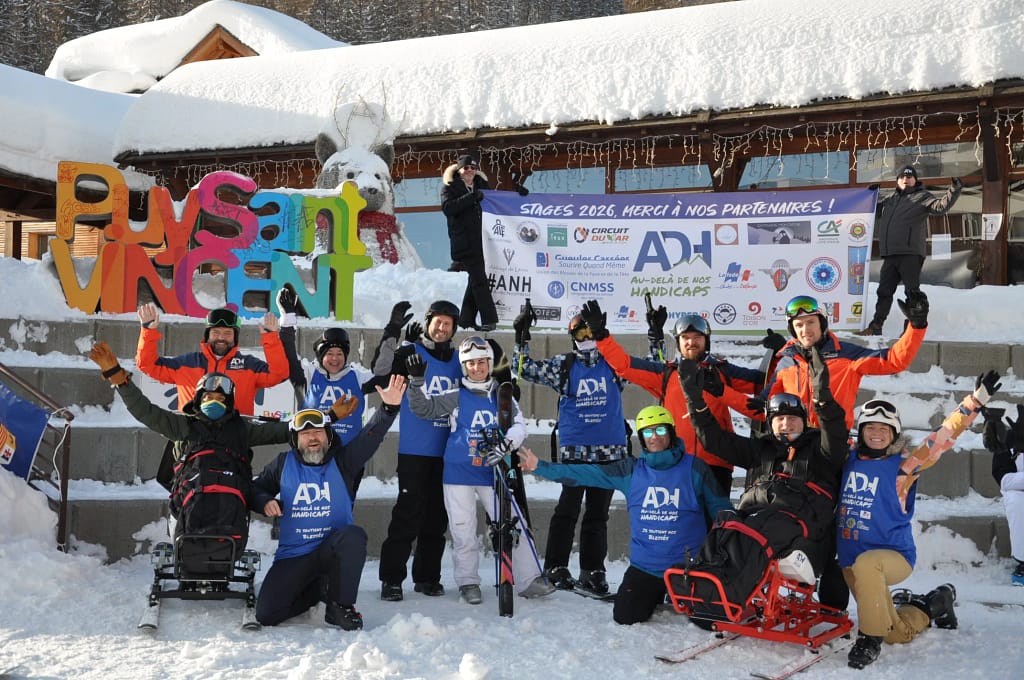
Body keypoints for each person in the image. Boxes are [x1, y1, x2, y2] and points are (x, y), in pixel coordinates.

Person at [838, 371, 1000, 668]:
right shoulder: (846, 461)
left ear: (894, 434)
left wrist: (974, 401)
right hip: (853, 562)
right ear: (860, 432)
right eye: (870, 427)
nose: (876, 433)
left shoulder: (904, 468)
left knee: (870, 582)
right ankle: (934, 603)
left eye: (884, 429)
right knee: (896, 634)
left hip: (892, 557)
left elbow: (942, 438)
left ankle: (868, 640)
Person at [676, 346, 848, 624]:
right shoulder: (761, 449)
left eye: (792, 419)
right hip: (757, 515)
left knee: (757, 532)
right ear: (770, 423)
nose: (785, 424)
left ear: (804, 422)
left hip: (800, 524)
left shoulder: (821, 449)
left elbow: (836, 433)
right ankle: (704, 591)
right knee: (724, 523)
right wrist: (694, 400)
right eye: (779, 419)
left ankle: (727, 600)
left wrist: (823, 396)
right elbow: (715, 440)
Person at [518, 405, 731, 625]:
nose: (654, 437)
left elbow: (721, 509)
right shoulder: (631, 470)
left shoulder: (695, 468)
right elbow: (585, 474)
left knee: (710, 621)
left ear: (671, 432)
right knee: (626, 616)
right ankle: (658, 593)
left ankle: (675, 593)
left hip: (689, 568)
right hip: (646, 568)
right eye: (648, 432)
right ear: (641, 437)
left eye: (660, 430)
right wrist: (541, 467)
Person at [405, 335, 554, 604]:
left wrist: (507, 444)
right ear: (465, 366)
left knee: (512, 524)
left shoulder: (502, 394)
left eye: (482, 362)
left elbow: (519, 426)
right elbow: (423, 408)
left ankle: (528, 579)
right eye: (471, 363)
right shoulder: (455, 395)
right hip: (458, 473)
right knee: (463, 529)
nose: (477, 368)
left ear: (489, 363)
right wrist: (416, 382)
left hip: (491, 472)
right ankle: (468, 582)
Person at [250, 375, 406, 630]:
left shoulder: (343, 461)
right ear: (296, 439)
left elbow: (370, 436)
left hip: (332, 550)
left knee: (353, 536)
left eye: (318, 433)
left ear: (328, 436)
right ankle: (318, 589)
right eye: (306, 433)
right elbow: (256, 488)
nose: (313, 438)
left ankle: (340, 605)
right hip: (295, 555)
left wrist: (388, 409)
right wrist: (265, 500)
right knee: (267, 614)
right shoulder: (283, 463)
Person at [580, 298, 763, 492]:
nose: (691, 342)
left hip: (716, 463)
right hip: (677, 462)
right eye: (685, 338)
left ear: (706, 340)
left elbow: (765, 382)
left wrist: (778, 355)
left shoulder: (723, 371)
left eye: (697, 337)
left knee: (715, 521)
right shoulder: (665, 374)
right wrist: (601, 335)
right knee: (678, 521)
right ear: (678, 342)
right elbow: (624, 365)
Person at [512, 308, 629, 595]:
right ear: (572, 337)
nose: (587, 337)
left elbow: (649, 367)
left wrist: (655, 337)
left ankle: (593, 569)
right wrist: (521, 338)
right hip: (576, 450)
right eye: (580, 332)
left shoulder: (614, 363)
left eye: (591, 331)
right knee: (568, 509)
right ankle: (556, 566)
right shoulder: (564, 365)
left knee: (598, 514)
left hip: (609, 452)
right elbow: (522, 368)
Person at [366, 300, 463, 602]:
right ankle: (392, 579)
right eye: (438, 322)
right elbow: (380, 372)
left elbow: (492, 379)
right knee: (407, 515)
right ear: (429, 323)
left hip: (449, 451)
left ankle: (427, 577)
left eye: (448, 324)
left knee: (437, 518)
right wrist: (393, 330)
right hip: (415, 450)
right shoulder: (411, 354)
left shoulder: (462, 360)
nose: (442, 328)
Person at [766, 294, 926, 431]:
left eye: (810, 322)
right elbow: (765, 404)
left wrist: (916, 327)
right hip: (796, 444)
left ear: (822, 324)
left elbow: (893, 361)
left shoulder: (847, 354)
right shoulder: (788, 360)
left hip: (833, 444)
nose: (805, 329)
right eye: (799, 325)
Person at [859, 165, 961, 336]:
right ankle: (876, 325)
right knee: (884, 291)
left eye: (909, 177)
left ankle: (910, 330)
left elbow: (940, 207)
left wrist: (954, 189)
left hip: (910, 254)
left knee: (911, 293)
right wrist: (871, 195)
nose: (905, 179)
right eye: (902, 177)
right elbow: (871, 212)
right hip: (891, 255)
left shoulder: (922, 196)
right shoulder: (890, 199)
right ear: (897, 180)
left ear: (915, 180)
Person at [135, 303, 290, 415]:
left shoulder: (249, 365)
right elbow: (147, 365)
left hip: (233, 443)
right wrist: (148, 331)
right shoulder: (186, 363)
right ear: (207, 335)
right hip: (192, 441)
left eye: (228, 333)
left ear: (235, 338)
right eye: (215, 332)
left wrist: (271, 339)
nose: (221, 338)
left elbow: (280, 374)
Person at [276, 287, 373, 446]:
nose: (335, 359)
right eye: (330, 353)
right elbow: (288, 357)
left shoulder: (358, 377)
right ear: (321, 356)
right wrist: (287, 320)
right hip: (314, 453)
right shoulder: (308, 374)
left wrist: (393, 332)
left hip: (349, 458)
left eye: (340, 354)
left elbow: (385, 377)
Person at [442, 155, 497, 332]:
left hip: (484, 242)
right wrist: (472, 197)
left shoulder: (482, 186)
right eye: (466, 168)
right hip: (464, 243)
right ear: (459, 170)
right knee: (480, 280)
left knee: (475, 279)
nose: (470, 171)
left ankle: (465, 321)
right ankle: (489, 319)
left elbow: (498, 201)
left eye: (472, 168)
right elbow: (448, 208)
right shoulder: (450, 187)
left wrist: (518, 195)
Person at [982, 404, 1024, 587]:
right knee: (1015, 499)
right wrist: (1014, 451)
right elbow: (1004, 480)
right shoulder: (1015, 435)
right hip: (1019, 492)